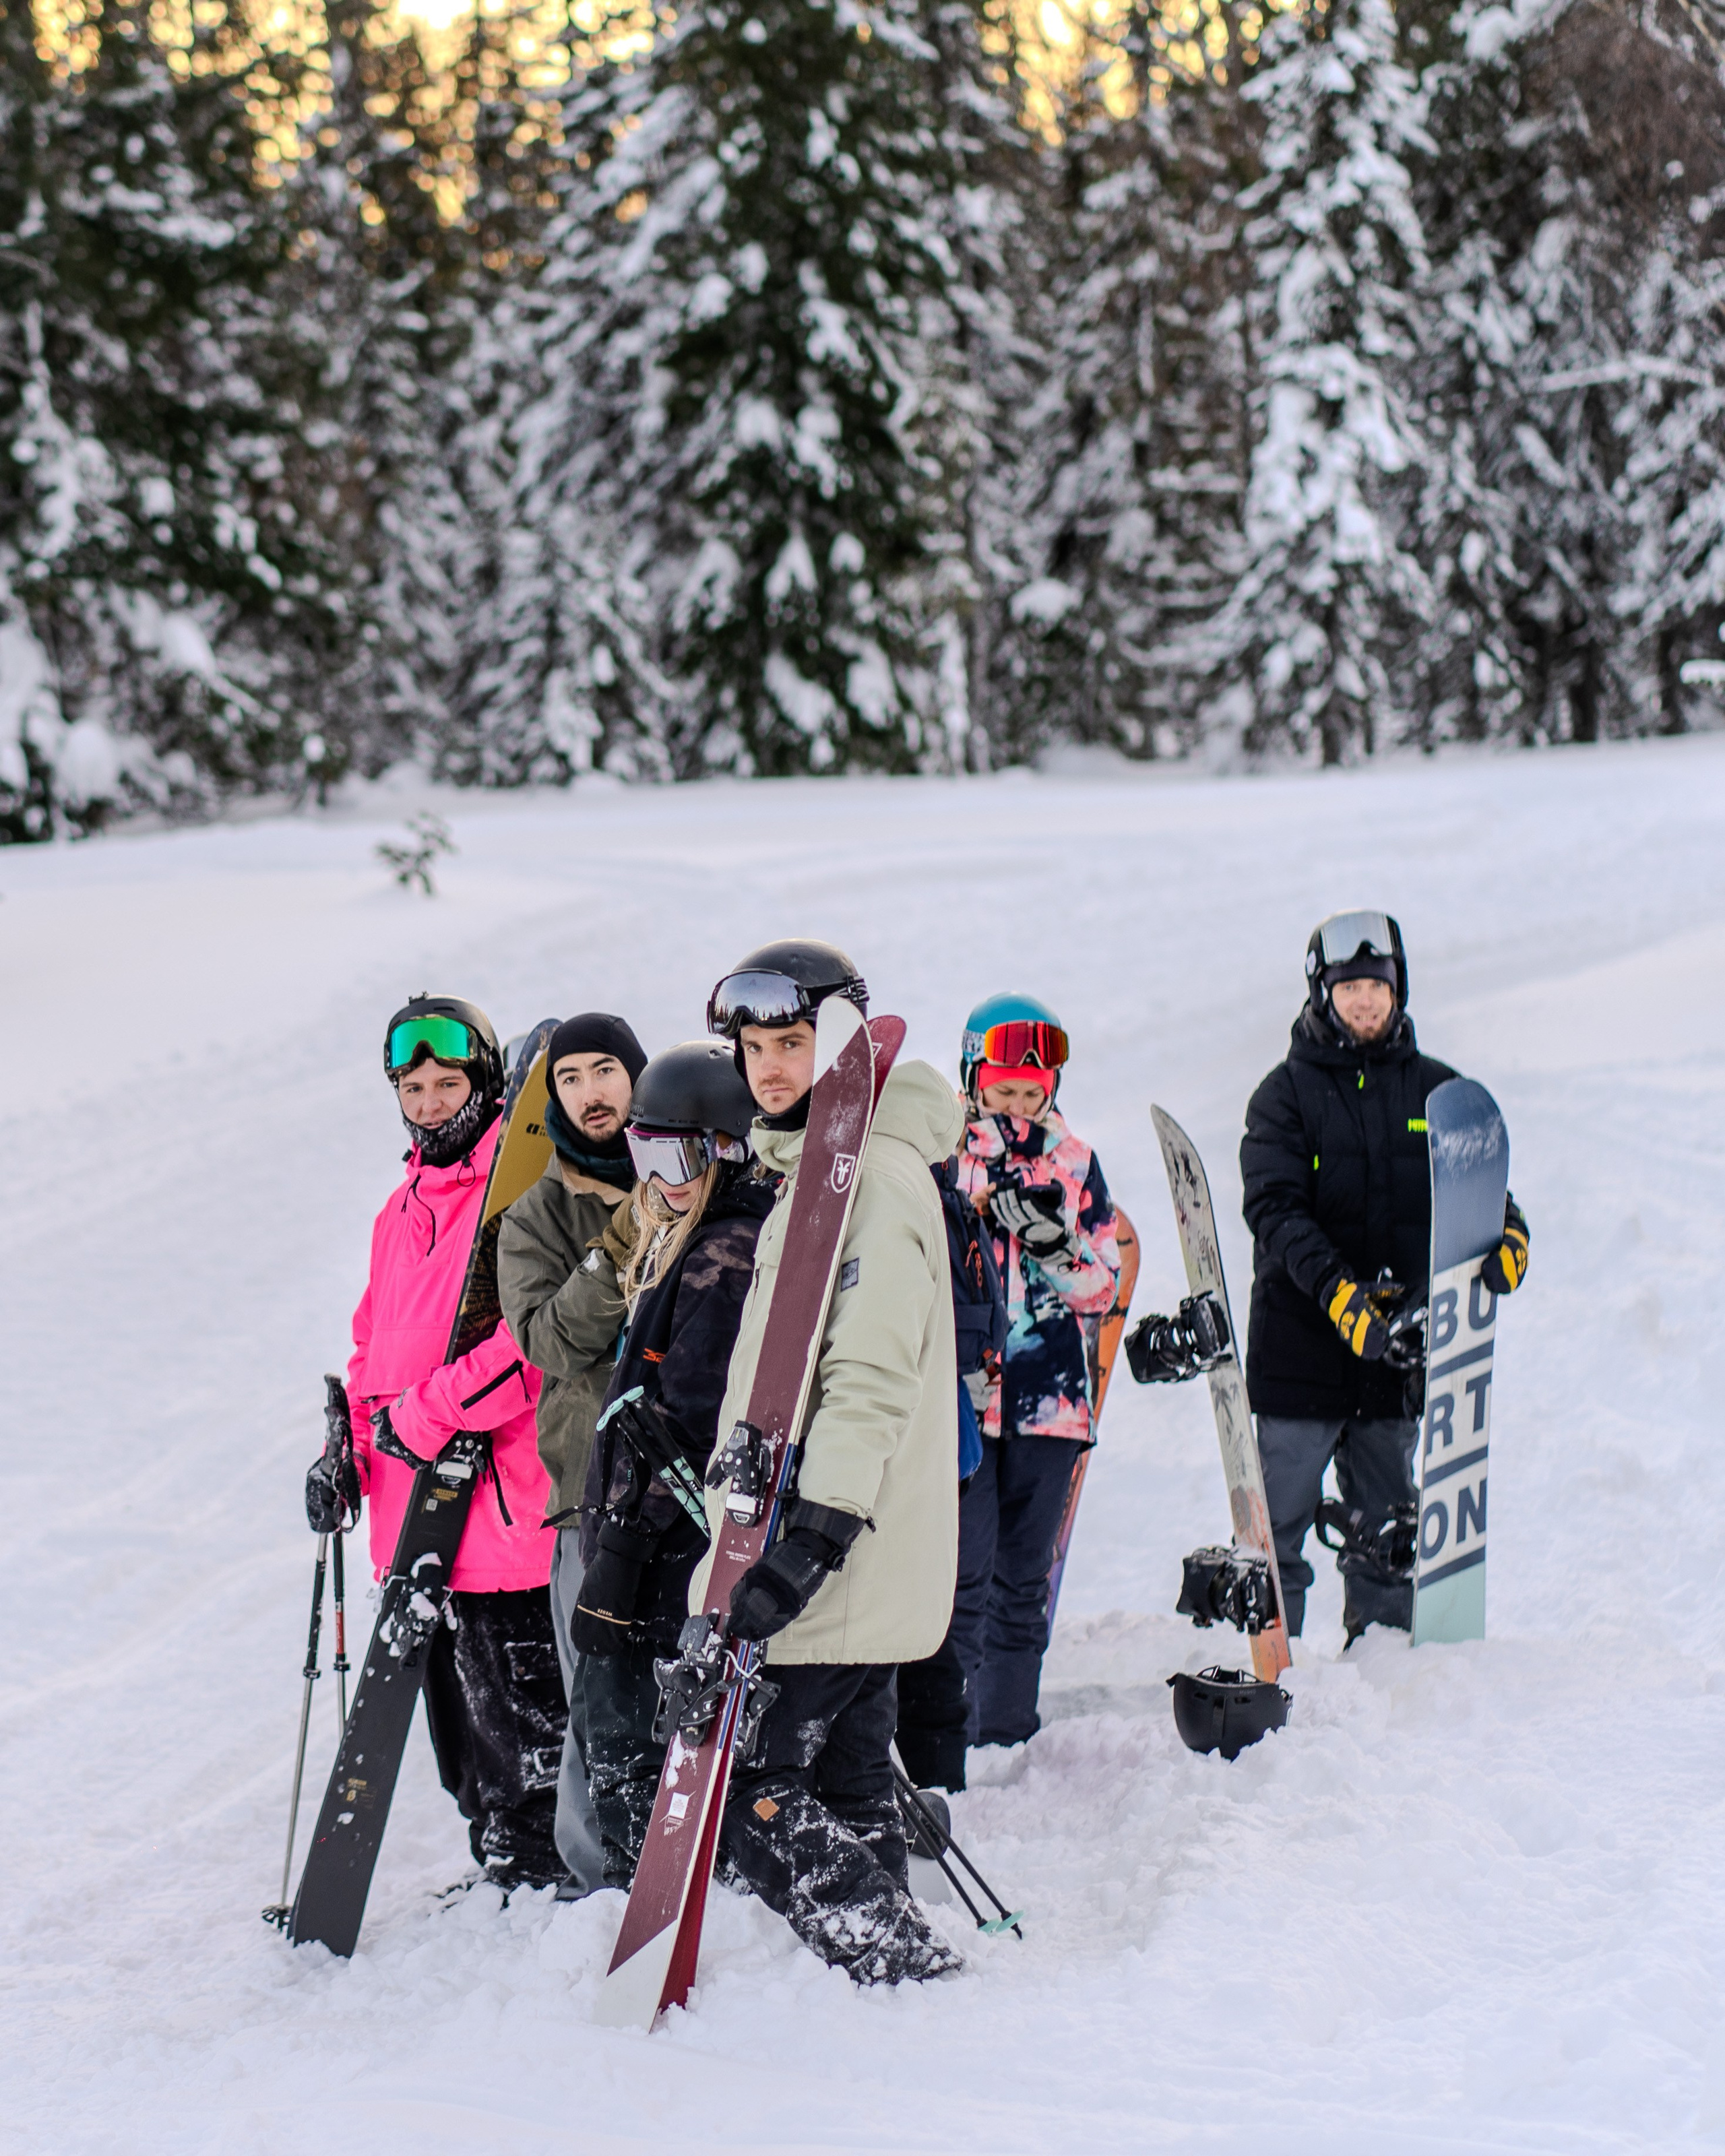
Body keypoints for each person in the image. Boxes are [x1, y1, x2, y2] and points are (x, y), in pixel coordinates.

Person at [696, 938, 966, 1986]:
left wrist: (811, 1539)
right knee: (852, 1778)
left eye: (795, 1043)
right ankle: (903, 1995)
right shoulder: (822, 1173)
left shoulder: (874, 1183)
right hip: (864, 1547)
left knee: (748, 1785)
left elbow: (869, 1374)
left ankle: (891, 1957)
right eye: (756, 1047)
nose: (769, 1067)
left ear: (844, 1045)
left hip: (840, 1548)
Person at [307, 994, 565, 1892]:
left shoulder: (523, 1195)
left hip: (497, 1512)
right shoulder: (402, 1206)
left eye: (445, 1081)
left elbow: (531, 1349)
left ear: (484, 1082)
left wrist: (420, 1419)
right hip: (413, 1516)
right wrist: (351, 1457)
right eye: (410, 1086)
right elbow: (370, 1345)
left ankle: (538, 1876)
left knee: (519, 1727)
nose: (426, 1101)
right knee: (456, 1734)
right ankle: (494, 1860)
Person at [1237, 912, 1530, 1641]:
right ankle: (1276, 1672)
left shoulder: (1438, 1092)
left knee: (1389, 1530)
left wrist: (1508, 1233)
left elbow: (1481, 1192)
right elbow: (1273, 1209)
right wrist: (1337, 1291)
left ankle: (1386, 1671)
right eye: (1349, 987)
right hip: (1302, 1349)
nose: (1365, 1000)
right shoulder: (1284, 1095)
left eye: (1377, 985)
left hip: (1394, 1354)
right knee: (1279, 1530)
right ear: (1320, 993)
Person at [569, 1040, 776, 1884]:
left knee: (626, 1740)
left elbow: (685, 1420)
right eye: (643, 1152)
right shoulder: (690, 1238)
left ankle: (656, 1900)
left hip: (663, 1551)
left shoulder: (724, 1255)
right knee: (623, 1738)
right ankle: (656, 1891)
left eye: (677, 1152)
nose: (661, 1175)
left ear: (727, 1146)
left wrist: (622, 1551)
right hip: (649, 1535)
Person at [497, 1013, 648, 1896]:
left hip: (702, 1485)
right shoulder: (536, 1217)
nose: (590, 1093)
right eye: (569, 1079)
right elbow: (553, 1343)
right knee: (601, 1692)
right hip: (596, 1492)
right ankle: (600, 1881)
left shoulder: (702, 1178)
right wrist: (630, 1236)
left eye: (605, 1072)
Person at [946, 993, 1121, 1751]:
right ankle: (947, 1733)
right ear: (973, 1082)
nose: (1017, 1105)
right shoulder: (945, 1158)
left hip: (1050, 1404)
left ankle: (1008, 1734)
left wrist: (1053, 1243)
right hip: (966, 1400)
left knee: (1023, 1578)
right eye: (1002, 1090)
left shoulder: (1075, 1162)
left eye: (1030, 1091)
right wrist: (976, 1210)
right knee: (962, 1576)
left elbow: (1102, 1289)